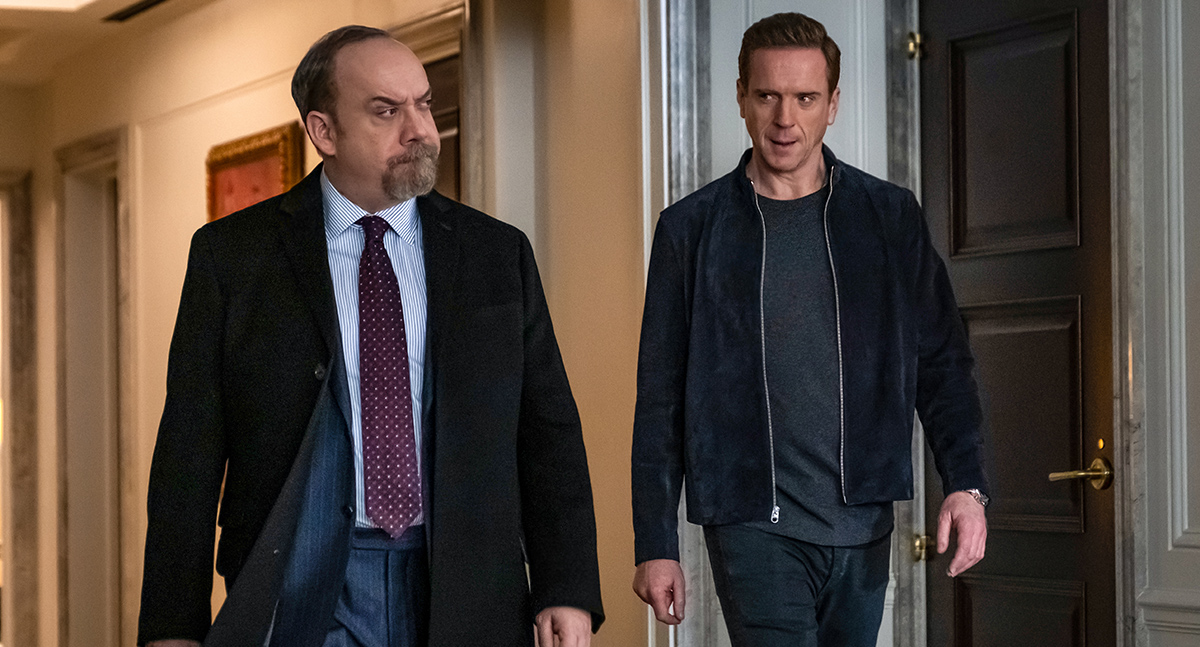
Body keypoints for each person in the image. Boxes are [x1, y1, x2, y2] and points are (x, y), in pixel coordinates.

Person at [138, 25, 602, 647]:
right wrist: (173, 625)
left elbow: (547, 430)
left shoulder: (496, 253)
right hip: (298, 587)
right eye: (386, 111)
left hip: (464, 583)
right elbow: (189, 450)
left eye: (424, 104)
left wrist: (565, 585)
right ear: (323, 131)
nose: (420, 130)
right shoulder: (234, 257)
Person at [631, 12, 988, 646]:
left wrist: (967, 484)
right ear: (742, 98)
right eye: (767, 95)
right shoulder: (690, 230)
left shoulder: (889, 217)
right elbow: (660, 397)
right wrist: (655, 543)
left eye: (805, 98)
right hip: (750, 521)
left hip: (863, 520)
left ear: (833, 105)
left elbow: (942, 364)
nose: (784, 119)